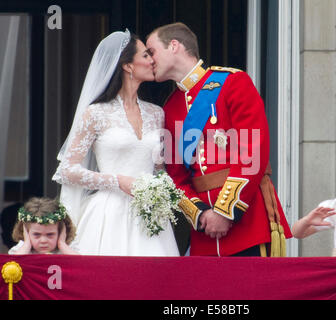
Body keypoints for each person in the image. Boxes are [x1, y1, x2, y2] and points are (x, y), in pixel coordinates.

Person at [146, 22, 292, 257]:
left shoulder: (233, 82)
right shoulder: (171, 107)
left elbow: (252, 153)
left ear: (174, 46)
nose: (149, 60)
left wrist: (225, 212)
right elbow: (175, 176)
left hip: (247, 223)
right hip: (205, 233)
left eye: (152, 51)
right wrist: (202, 214)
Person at [52, 30, 179, 256]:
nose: (152, 61)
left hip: (150, 215)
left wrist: (161, 190)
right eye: (146, 55)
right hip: (108, 215)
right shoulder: (96, 113)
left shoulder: (156, 113)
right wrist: (117, 181)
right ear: (128, 66)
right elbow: (67, 170)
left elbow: (159, 170)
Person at [9, 197, 77, 255]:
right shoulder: (22, 249)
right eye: (36, 234)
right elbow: (12, 264)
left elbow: (81, 265)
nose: (43, 241)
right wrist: (26, 245)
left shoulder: (68, 249)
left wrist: (62, 244)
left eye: (50, 234)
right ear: (26, 232)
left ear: (61, 232)